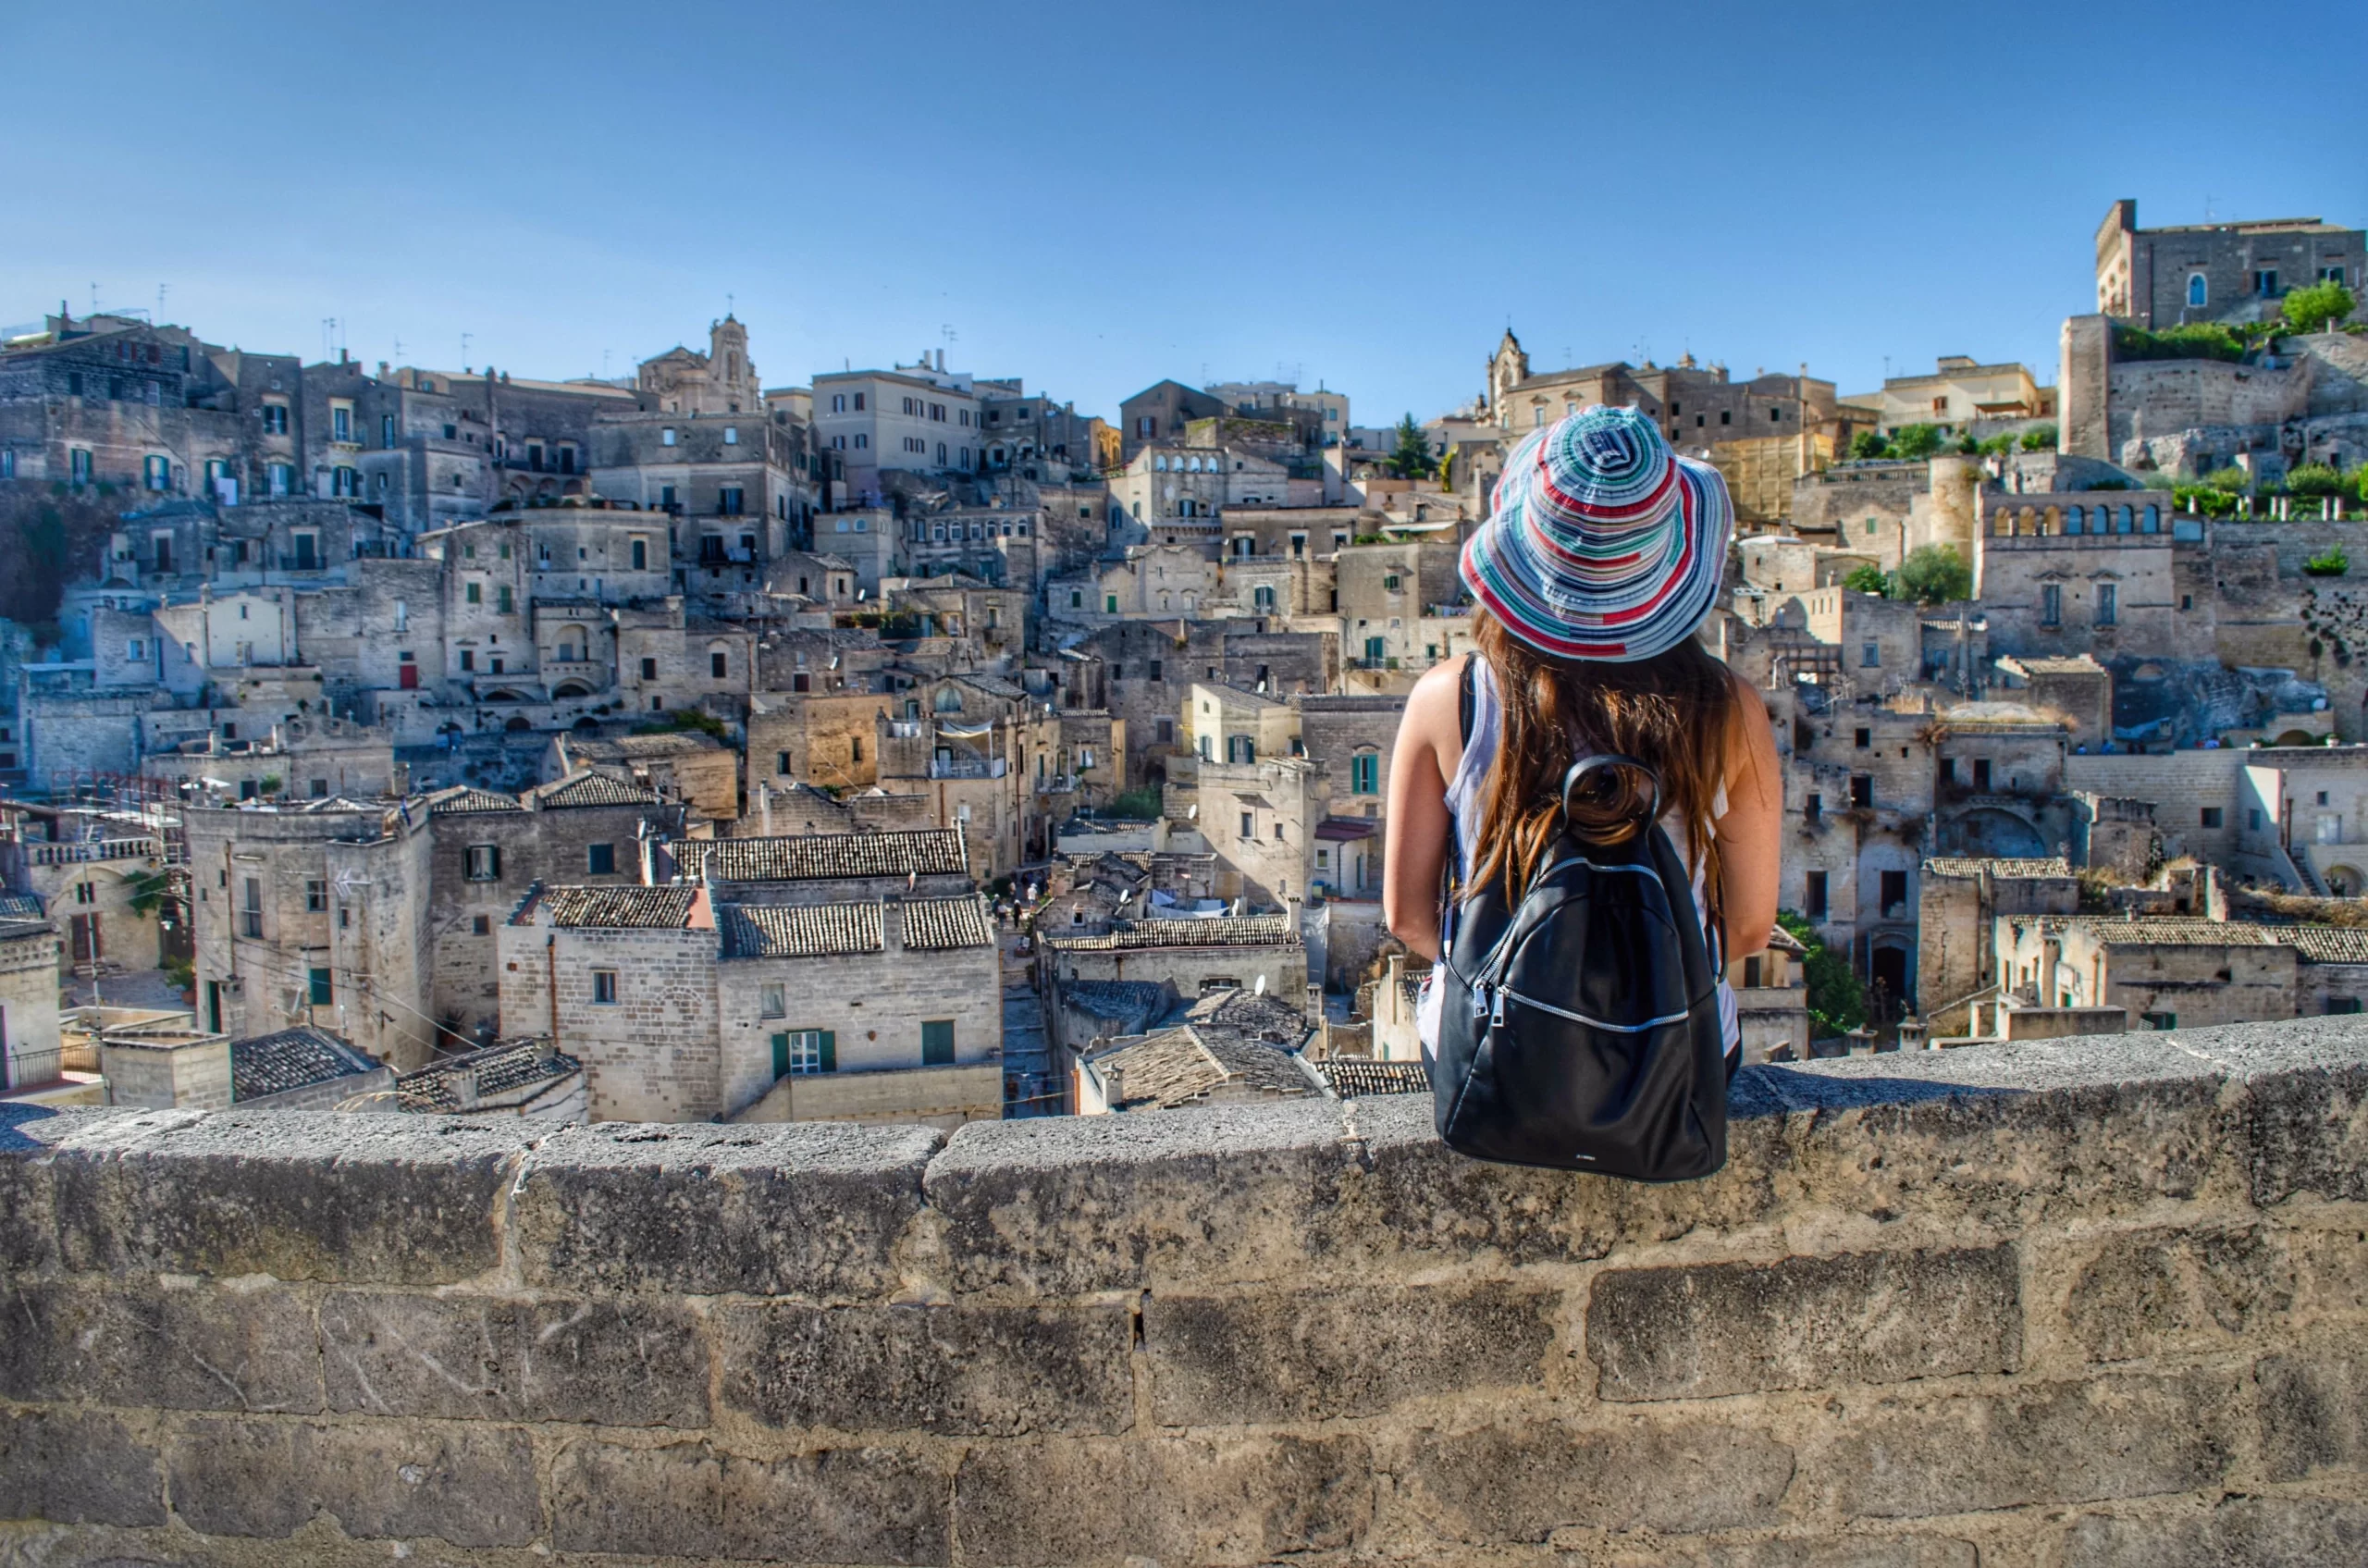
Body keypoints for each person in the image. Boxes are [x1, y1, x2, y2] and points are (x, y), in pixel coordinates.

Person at [1383, 404, 1782, 1073]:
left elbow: (1409, 919)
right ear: (1667, 556)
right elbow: (1745, 927)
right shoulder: (1730, 710)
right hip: (1673, 1061)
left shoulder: (1448, 699)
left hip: (1495, 1064)